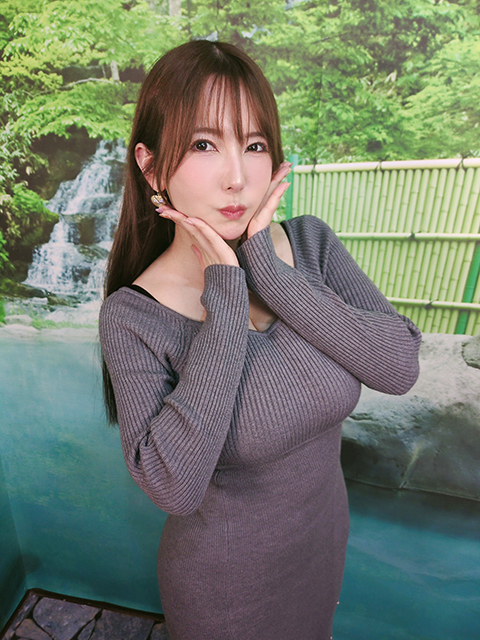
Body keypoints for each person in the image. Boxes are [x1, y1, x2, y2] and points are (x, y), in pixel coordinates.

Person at [99, 40, 421, 640]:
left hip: (321, 547)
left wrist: (268, 270)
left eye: (253, 145)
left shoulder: (310, 244)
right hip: (224, 591)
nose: (237, 177)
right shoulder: (133, 316)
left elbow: (399, 365)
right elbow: (174, 485)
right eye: (203, 145)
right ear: (151, 166)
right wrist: (225, 292)